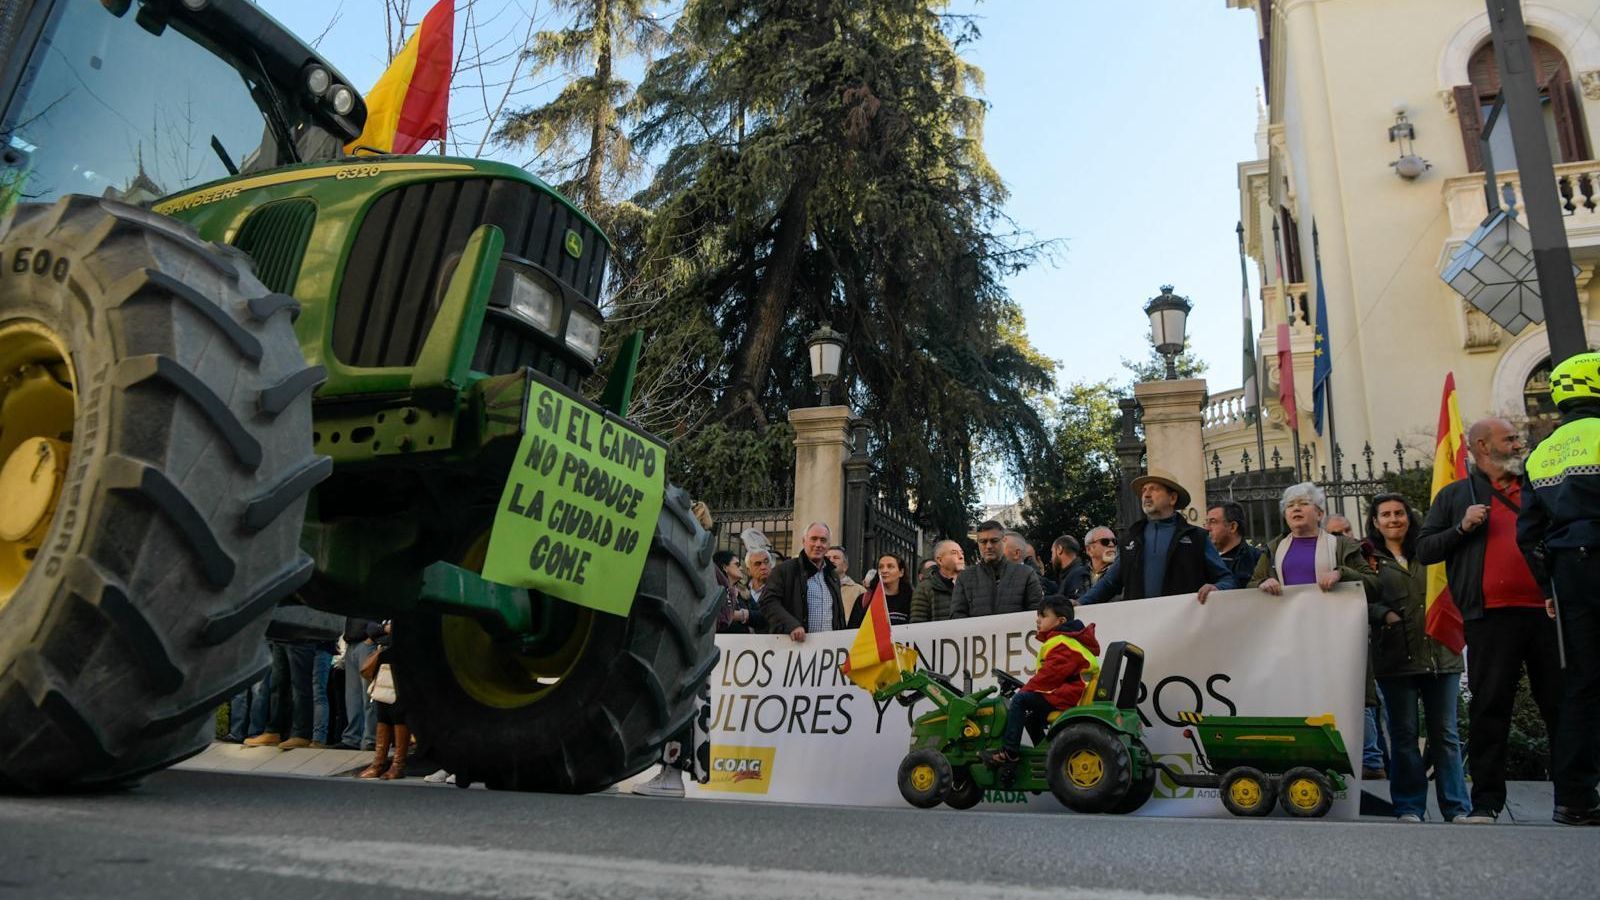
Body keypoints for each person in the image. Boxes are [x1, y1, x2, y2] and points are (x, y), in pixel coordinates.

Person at [1418, 417, 1559, 825]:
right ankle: (1486, 803)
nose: (1518, 444)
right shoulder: (1455, 495)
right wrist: (1462, 527)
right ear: (1482, 446)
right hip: (1489, 617)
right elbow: (1425, 549)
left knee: (1562, 706)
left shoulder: (1538, 487)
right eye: (1509, 439)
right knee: (1490, 709)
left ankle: (1576, 799)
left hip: (1547, 612)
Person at [1518, 352, 1600, 826]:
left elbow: (1528, 534)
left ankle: (1574, 799)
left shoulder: (1541, 453)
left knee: (1582, 685)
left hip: (1569, 571)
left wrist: (1548, 588)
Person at [1366, 493, 1469, 823]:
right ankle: (1409, 806)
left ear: (1409, 518)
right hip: (1396, 658)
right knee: (1404, 736)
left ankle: (1457, 807)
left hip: (1441, 653)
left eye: (1399, 513)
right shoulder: (1367, 558)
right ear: (1375, 522)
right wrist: (1383, 614)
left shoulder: (1431, 550)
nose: (1393, 519)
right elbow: (1358, 598)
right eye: (1385, 514)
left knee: (1446, 735)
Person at [978, 596, 1100, 767]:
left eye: (1043, 615)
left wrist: (1026, 690)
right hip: (1071, 693)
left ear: (1061, 621)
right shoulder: (1068, 641)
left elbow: (1049, 677)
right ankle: (1046, 756)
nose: (1038, 620)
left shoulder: (1062, 643)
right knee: (1031, 716)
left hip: (1071, 696)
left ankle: (1009, 752)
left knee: (1020, 700)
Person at [1081, 470, 1232, 605]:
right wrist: (1080, 602)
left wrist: (1217, 587)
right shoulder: (1131, 539)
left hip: (1184, 625)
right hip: (1141, 624)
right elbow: (1109, 582)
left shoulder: (1197, 537)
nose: (1146, 495)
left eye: (1154, 489)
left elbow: (1228, 579)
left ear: (1172, 498)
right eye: (1144, 490)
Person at [1249, 482, 1375, 596]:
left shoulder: (1342, 545)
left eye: (1304, 503)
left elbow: (1374, 585)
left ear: (1319, 514)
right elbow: (1251, 585)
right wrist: (1263, 582)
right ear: (1285, 516)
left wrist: (1341, 574)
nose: (1296, 508)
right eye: (1290, 505)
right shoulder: (1273, 549)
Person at [759, 522, 844, 641]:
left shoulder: (832, 575)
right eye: (813, 539)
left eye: (823, 540)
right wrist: (792, 625)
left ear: (828, 545)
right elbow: (767, 602)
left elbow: (838, 615)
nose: (818, 544)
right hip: (795, 646)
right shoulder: (785, 570)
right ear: (804, 541)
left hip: (828, 647)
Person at [952, 520, 1044, 618]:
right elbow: (957, 616)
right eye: (983, 542)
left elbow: (1037, 613)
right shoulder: (965, 577)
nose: (988, 546)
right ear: (978, 543)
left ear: (1004, 541)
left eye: (994, 541)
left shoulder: (1026, 574)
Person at [358, 622, 410, 780]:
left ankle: (398, 764)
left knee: (398, 711)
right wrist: (385, 631)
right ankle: (379, 762)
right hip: (385, 660)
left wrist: (387, 632)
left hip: (405, 661)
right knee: (382, 710)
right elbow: (371, 630)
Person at [339, 618, 379, 751]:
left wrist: (372, 638)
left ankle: (371, 738)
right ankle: (352, 738)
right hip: (352, 642)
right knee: (352, 697)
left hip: (367, 641)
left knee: (369, 695)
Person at [1206, 501, 1263, 589]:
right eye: (1206, 523)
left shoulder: (1257, 559)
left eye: (1213, 522)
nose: (1207, 528)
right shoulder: (1202, 557)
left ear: (1233, 527)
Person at [910, 539, 964, 623]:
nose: (961, 557)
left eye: (962, 553)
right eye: (954, 553)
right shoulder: (925, 588)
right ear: (940, 560)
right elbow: (917, 624)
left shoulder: (970, 583)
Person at [827, 546, 868, 626]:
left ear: (845, 566)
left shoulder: (859, 591)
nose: (831, 560)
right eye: (827, 558)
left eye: (836, 558)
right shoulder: (816, 587)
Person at [875, 554, 913, 626]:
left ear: (901, 572)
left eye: (890, 566)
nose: (884, 570)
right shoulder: (866, 599)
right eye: (881, 567)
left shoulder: (912, 600)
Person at [1049, 535, 1091, 600]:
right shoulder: (1070, 575)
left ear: (1059, 549)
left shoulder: (1077, 575)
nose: (1051, 558)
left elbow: (1078, 603)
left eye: (1052, 552)